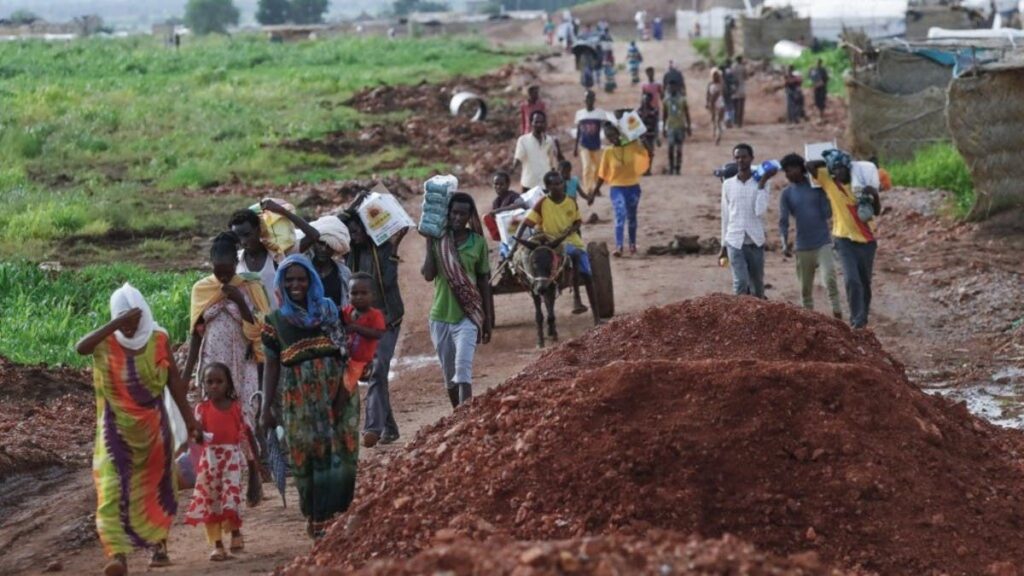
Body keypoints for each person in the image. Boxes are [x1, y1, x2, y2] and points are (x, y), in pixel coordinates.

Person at [76, 284, 199, 576]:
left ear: (144, 316)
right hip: (115, 431)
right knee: (112, 489)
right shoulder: (106, 341)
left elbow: (174, 384)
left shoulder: (158, 339)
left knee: (157, 487)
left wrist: (190, 420)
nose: (130, 328)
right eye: (124, 320)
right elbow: (81, 348)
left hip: (155, 430)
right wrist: (116, 323)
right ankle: (116, 554)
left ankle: (159, 546)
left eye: (134, 320)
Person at [261, 255, 357, 539]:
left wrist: (344, 391)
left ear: (312, 279)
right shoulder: (275, 321)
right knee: (306, 456)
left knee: (340, 453)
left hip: (337, 392)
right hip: (299, 398)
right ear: (280, 283)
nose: (295, 284)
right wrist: (265, 408)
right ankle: (316, 517)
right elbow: (272, 365)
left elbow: (349, 354)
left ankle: (337, 516)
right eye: (288, 280)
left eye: (301, 278)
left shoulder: (330, 312)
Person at [184, 232, 271, 429]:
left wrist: (239, 301)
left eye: (228, 270)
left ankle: (246, 452)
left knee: (245, 406)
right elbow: (196, 332)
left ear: (235, 262)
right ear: (210, 263)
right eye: (218, 270)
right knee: (214, 405)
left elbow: (260, 327)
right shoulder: (202, 289)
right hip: (213, 355)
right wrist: (186, 373)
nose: (223, 276)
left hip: (243, 356)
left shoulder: (250, 286)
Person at [420, 192, 493, 409]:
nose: (458, 218)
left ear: (470, 216)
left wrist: (487, 319)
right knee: (449, 375)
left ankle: (466, 420)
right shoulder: (439, 241)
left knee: (463, 372)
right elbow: (428, 275)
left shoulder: (478, 243)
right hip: (440, 316)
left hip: (468, 315)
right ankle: (458, 416)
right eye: (454, 213)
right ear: (447, 213)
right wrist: (429, 242)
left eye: (463, 213)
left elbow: (484, 282)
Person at [342, 209, 407, 447]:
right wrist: (352, 208)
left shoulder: (383, 248)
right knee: (373, 374)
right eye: (349, 232)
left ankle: (372, 428)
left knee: (378, 370)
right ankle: (389, 427)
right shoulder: (348, 253)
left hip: (387, 320)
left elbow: (388, 283)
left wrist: (394, 248)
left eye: (357, 230)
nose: (353, 235)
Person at [184, 363, 260, 562]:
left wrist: (253, 465)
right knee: (212, 503)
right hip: (210, 464)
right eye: (210, 382)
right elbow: (195, 436)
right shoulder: (202, 409)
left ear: (228, 385)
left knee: (231, 499)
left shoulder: (236, 408)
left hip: (232, 463)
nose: (215, 386)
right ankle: (217, 545)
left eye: (219, 381)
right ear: (204, 385)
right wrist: (197, 435)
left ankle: (235, 534)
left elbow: (243, 437)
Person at [808, 150, 881, 329]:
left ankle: (862, 315)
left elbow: (876, 212)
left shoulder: (862, 185)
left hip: (867, 241)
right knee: (851, 280)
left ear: (848, 168)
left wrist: (874, 195)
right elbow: (809, 165)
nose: (836, 174)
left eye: (840, 169)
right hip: (843, 239)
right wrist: (827, 159)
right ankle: (856, 320)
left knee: (864, 282)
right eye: (833, 170)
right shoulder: (830, 182)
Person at [517, 171, 599, 322]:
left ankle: (595, 315)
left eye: (560, 183)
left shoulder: (571, 202)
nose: (558, 186)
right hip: (550, 243)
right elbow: (527, 223)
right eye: (554, 184)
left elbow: (577, 221)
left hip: (572, 241)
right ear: (547, 187)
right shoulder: (542, 203)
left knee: (587, 273)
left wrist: (571, 230)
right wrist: (516, 241)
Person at [778, 153, 843, 318]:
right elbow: (783, 221)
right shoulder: (786, 194)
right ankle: (809, 320)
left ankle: (837, 314)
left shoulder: (817, 187)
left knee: (830, 279)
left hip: (823, 242)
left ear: (801, 168)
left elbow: (827, 214)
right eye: (786, 171)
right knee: (805, 289)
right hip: (803, 246)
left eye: (791, 170)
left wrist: (826, 195)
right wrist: (784, 242)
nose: (788, 174)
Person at [719, 143, 776, 298]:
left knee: (757, 286)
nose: (740, 160)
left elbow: (760, 210)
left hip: (755, 241)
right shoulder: (728, 184)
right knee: (741, 283)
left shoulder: (762, 183)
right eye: (737, 157)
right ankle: (740, 319)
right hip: (734, 240)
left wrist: (762, 183)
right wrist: (723, 245)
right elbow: (725, 216)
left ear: (751, 159)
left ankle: (758, 318)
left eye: (744, 157)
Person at [593, 121, 651, 257]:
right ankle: (619, 246)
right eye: (608, 136)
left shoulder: (632, 145)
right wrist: (595, 191)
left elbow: (648, 151)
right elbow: (602, 173)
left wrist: (642, 138)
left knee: (632, 217)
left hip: (633, 187)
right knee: (620, 214)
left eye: (613, 134)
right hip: (616, 187)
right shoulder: (608, 152)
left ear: (619, 133)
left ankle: (632, 245)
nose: (611, 138)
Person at [342, 273, 386, 407]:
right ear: (348, 295)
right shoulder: (347, 311)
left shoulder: (375, 315)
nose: (359, 297)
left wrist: (356, 327)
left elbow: (378, 333)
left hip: (362, 361)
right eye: (354, 293)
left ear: (373, 295)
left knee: (345, 389)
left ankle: (339, 410)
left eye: (363, 293)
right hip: (347, 358)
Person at [306, 216, 353, 309]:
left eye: (329, 246)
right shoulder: (302, 270)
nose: (323, 249)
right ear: (313, 243)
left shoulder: (344, 273)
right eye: (320, 243)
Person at [512, 110, 562, 193]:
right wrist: (512, 170)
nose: (539, 124)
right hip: (529, 183)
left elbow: (552, 162)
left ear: (545, 123)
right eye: (536, 122)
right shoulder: (523, 140)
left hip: (545, 183)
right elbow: (518, 158)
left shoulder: (549, 140)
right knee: (529, 206)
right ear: (531, 123)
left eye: (542, 122)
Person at [574, 90, 607, 198]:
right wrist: (575, 146)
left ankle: (596, 188)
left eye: (591, 98)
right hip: (584, 145)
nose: (589, 100)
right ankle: (588, 189)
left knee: (597, 167)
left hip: (596, 144)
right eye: (587, 98)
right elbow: (579, 130)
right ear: (584, 100)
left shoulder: (600, 113)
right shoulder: (580, 114)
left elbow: (605, 127)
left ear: (594, 100)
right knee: (587, 167)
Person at [662, 83, 692, 176]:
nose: (671, 89)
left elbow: (687, 113)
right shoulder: (666, 100)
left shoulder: (682, 100)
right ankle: (671, 167)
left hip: (680, 126)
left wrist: (688, 126)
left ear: (677, 88)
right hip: (671, 127)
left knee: (679, 148)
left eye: (673, 87)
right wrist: (663, 127)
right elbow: (664, 115)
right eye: (670, 87)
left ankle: (677, 168)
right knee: (670, 148)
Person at [638, 91, 660, 176]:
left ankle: (648, 169)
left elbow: (656, 124)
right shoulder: (639, 111)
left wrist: (657, 136)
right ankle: (644, 169)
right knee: (642, 153)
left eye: (646, 99)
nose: (645, 100)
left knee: (650, 153)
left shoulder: (654, 111)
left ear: (650, 100)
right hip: (641, 136)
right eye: (644, 99)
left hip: (650, 134)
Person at [706, 68, 726, 145]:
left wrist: (710, 103)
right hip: (716, 104)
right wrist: (708, 102)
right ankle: (716, 133)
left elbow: (715, 95)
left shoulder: (719, 85)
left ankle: (718, 136)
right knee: (715, 120)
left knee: (718, 121)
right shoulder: (712, 84)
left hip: (717, 104)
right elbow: (708, 94)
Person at [730, 56, 747, 128]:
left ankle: (734, 121)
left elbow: (730, 77)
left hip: (733, 88)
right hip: (741, 88)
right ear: (741, 60)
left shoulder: (732, 67)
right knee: (741, 106)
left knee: (734, 106)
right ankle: (740, 122)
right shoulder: (743, 67)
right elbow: (746, 77)